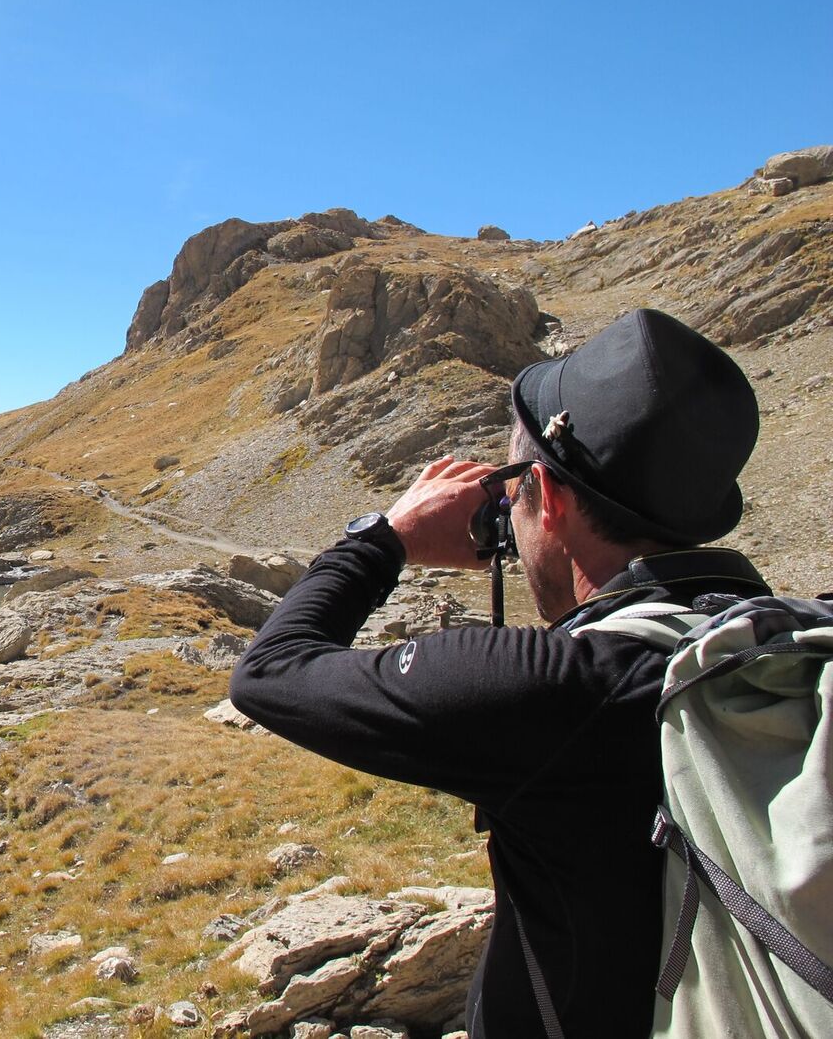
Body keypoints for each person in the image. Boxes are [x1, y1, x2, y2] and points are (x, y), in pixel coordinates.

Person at [229, 308, 770, 1039]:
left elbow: (270, 671)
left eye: (516, 484)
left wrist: (384, 539)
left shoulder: (553, 688)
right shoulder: (802, 644)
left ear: (547, 496)